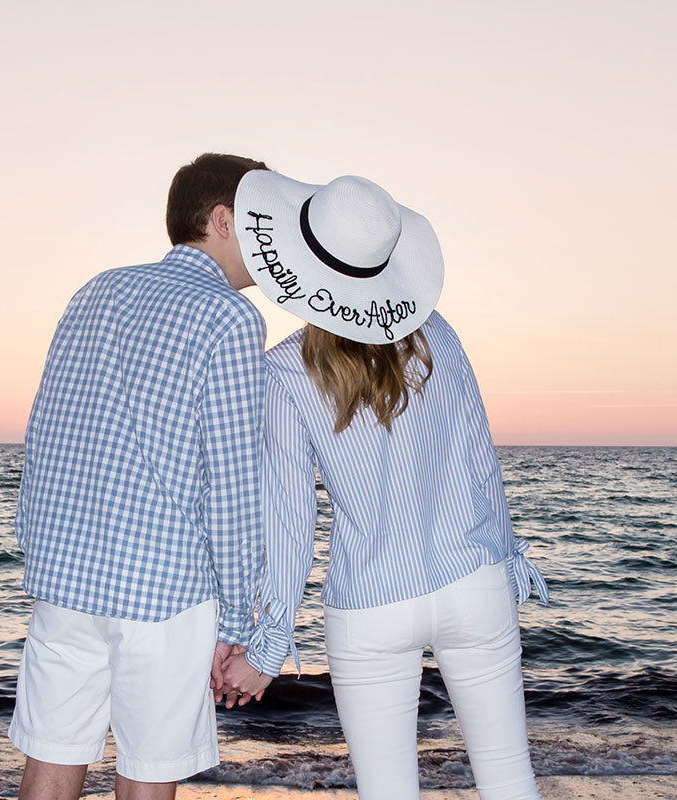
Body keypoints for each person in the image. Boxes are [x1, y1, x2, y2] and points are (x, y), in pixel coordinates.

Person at [218, 170, 550, 800]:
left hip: (371, 602)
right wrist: (507, 569)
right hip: (473, 582)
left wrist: (267, 647)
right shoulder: (439, 335)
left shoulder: (283, 372)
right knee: (510, 780)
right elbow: (483, 467)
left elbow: (289, 523)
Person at [9, 153, 270, 800]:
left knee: (50, 757)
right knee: (149, 774)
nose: (272, 245)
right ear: (223, 221)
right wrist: (238, 622)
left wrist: (39, 549)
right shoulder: (230, 318)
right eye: (263, 224)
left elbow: (45, 434)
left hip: (66, 576)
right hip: (164, 589)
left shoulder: (95, 290)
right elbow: (234, 488)